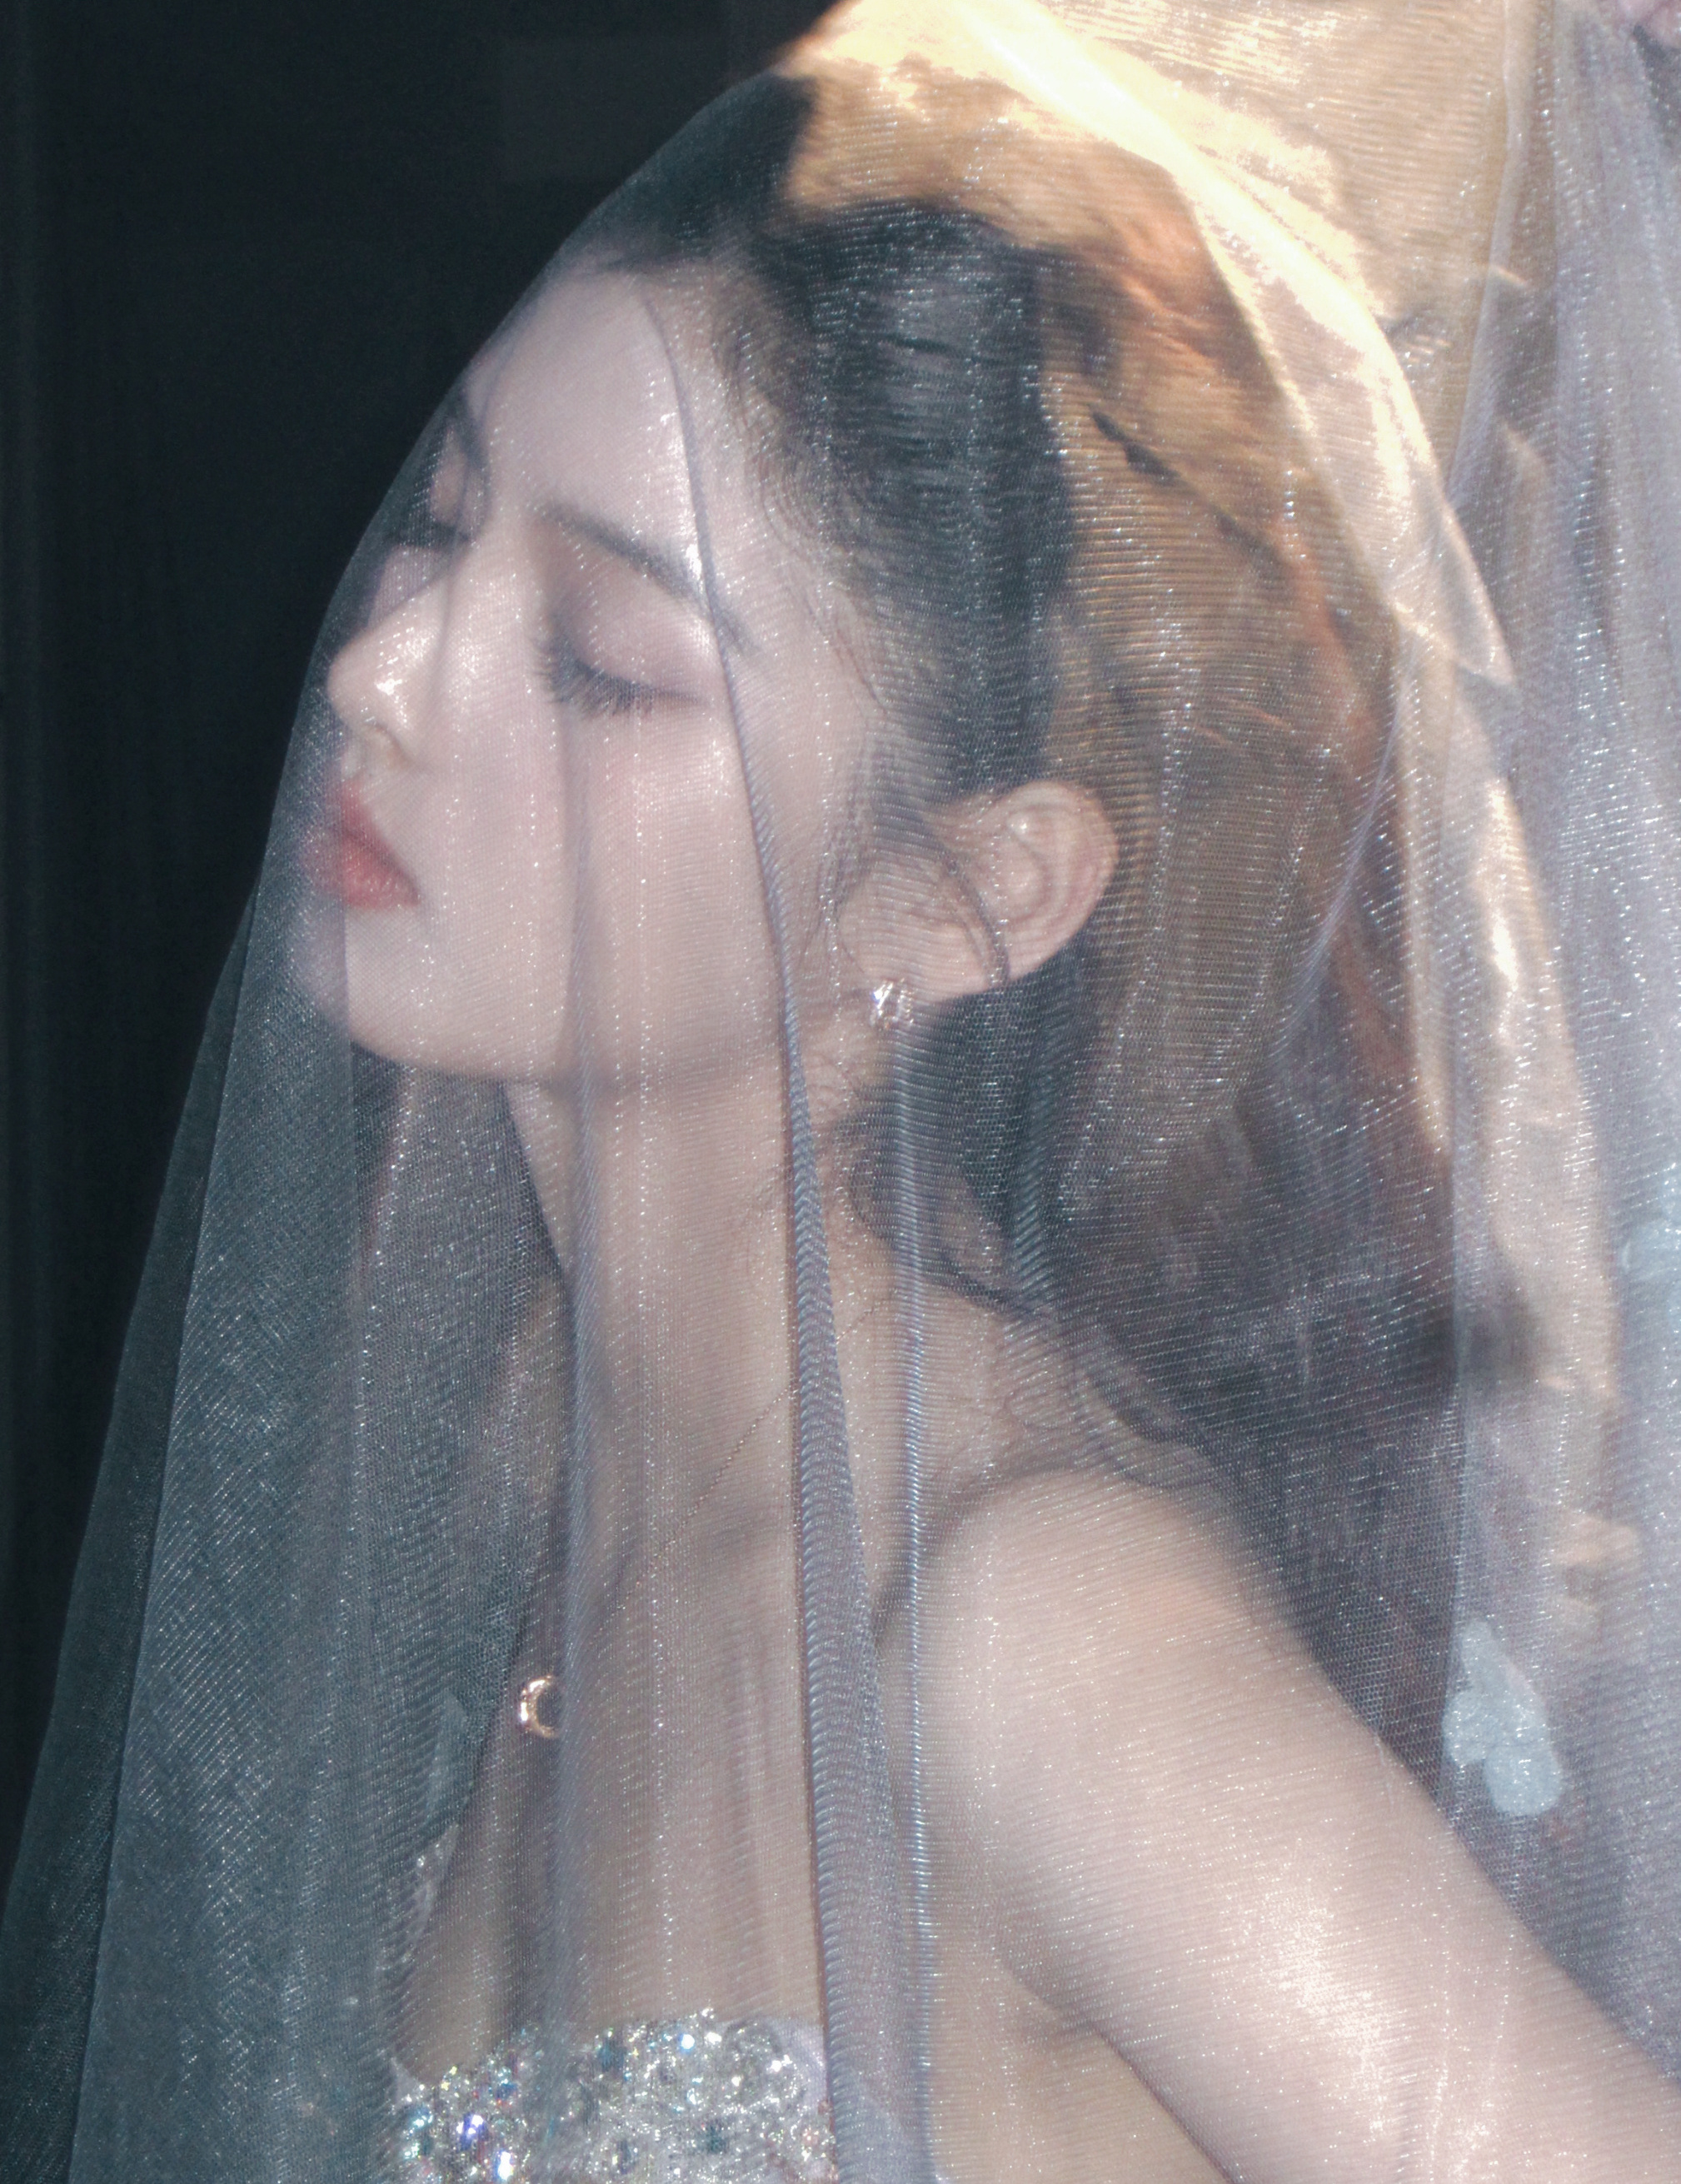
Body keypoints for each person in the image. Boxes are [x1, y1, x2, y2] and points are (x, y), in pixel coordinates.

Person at [6, 2, 1681, 2179]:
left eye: (597, 663)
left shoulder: (1034, 1634)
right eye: (438, 520)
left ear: (965, 894)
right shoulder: (525, 1449)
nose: (375, 669)